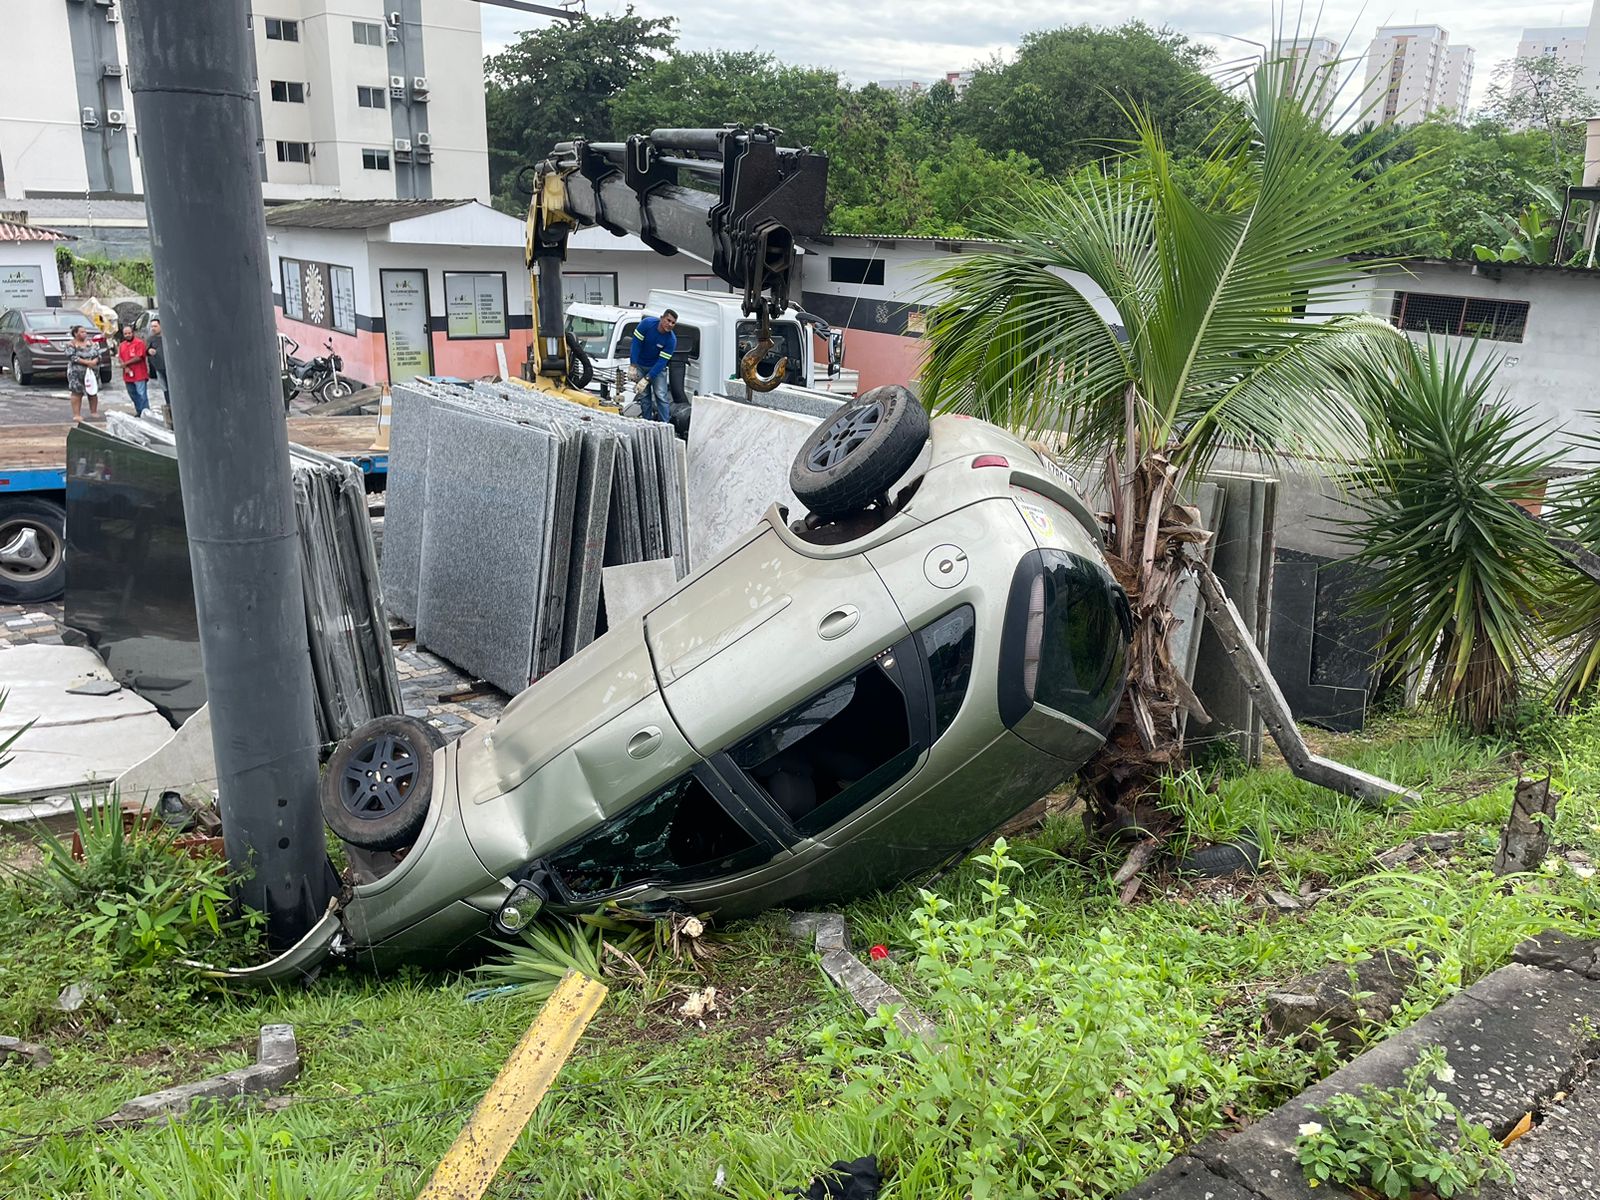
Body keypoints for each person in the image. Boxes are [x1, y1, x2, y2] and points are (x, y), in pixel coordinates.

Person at [628, 308, 677, 422]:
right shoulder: (647, 324)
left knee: (661, 396)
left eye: (673, 323)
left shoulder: (671, 340)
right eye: (668, 320)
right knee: (644, 396)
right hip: (640, 365)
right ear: (661, 318)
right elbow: (636, 344)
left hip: (656, 368)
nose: (670, 324)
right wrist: (633, 365)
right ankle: (647, 422)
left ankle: (665, 425)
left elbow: (662, 362)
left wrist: (647, 378)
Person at [66, 325, 102, 424]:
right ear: (75, 333)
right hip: (76, 373)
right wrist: (86, 362)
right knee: (77, 393)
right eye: (81, 332)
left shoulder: (92, 343)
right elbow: (71, 357)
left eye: (85, 332)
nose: (84, 334)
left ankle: (94, 411)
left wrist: (95, 361)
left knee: (93, 392)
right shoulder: (71, 344)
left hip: (92, 371)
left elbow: (99, 354)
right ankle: (76, 414)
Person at [118, 323, 150, 416]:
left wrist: (125, 364)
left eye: (129, 333)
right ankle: (139, 411)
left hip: (139, 374)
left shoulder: (139, 343)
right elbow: (120, 357)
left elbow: (139, 357)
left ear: (133, 333)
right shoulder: (122, 345)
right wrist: (125, 367)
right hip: (128, 375)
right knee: (132, 394)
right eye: (125, 334)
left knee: (142, 395)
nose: (127, 335)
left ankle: (146, 413)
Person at [146, 318, 169, 411]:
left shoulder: (167, 337)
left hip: (169, 369)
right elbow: (146, 351)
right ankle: (168, 405)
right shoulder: (151, 339)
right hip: (159, 368)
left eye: (155, 326)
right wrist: (148, 351)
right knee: (165, 389)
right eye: (151, 326)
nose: (153, 328)